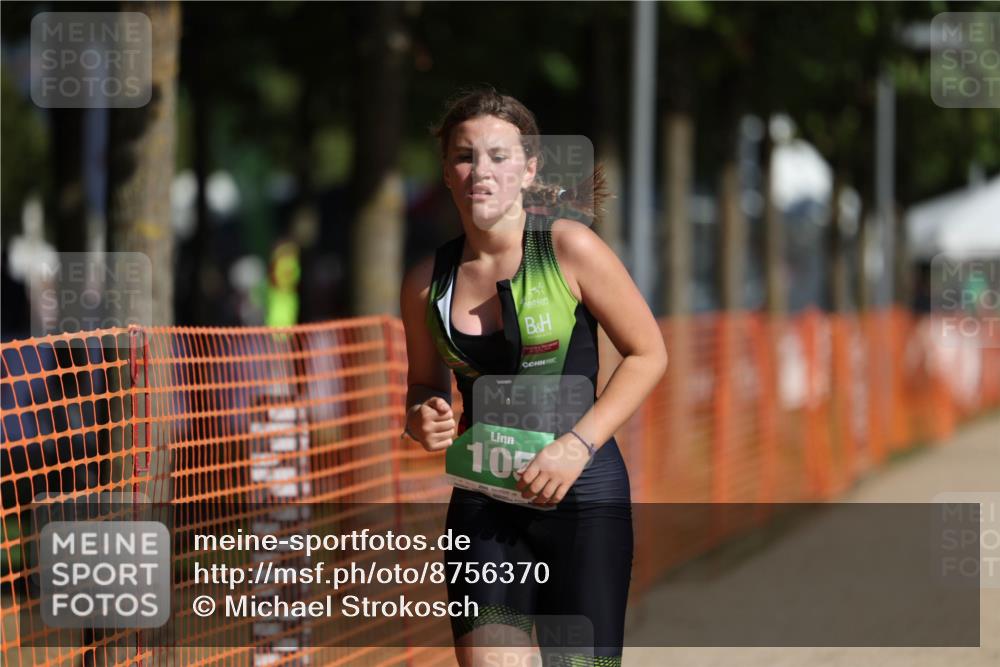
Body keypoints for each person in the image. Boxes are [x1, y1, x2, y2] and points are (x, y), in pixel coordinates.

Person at [399, 87, 668, 667]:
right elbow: (423, 385)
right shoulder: (427, 280)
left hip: (581, 498)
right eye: (465, 156)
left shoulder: (569, 247)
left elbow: (648, 354)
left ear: (528, 168)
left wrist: (576, 446)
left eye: (499, 156)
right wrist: (423, 415)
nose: (481, 171)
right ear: (447, 172)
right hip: (484, 505)